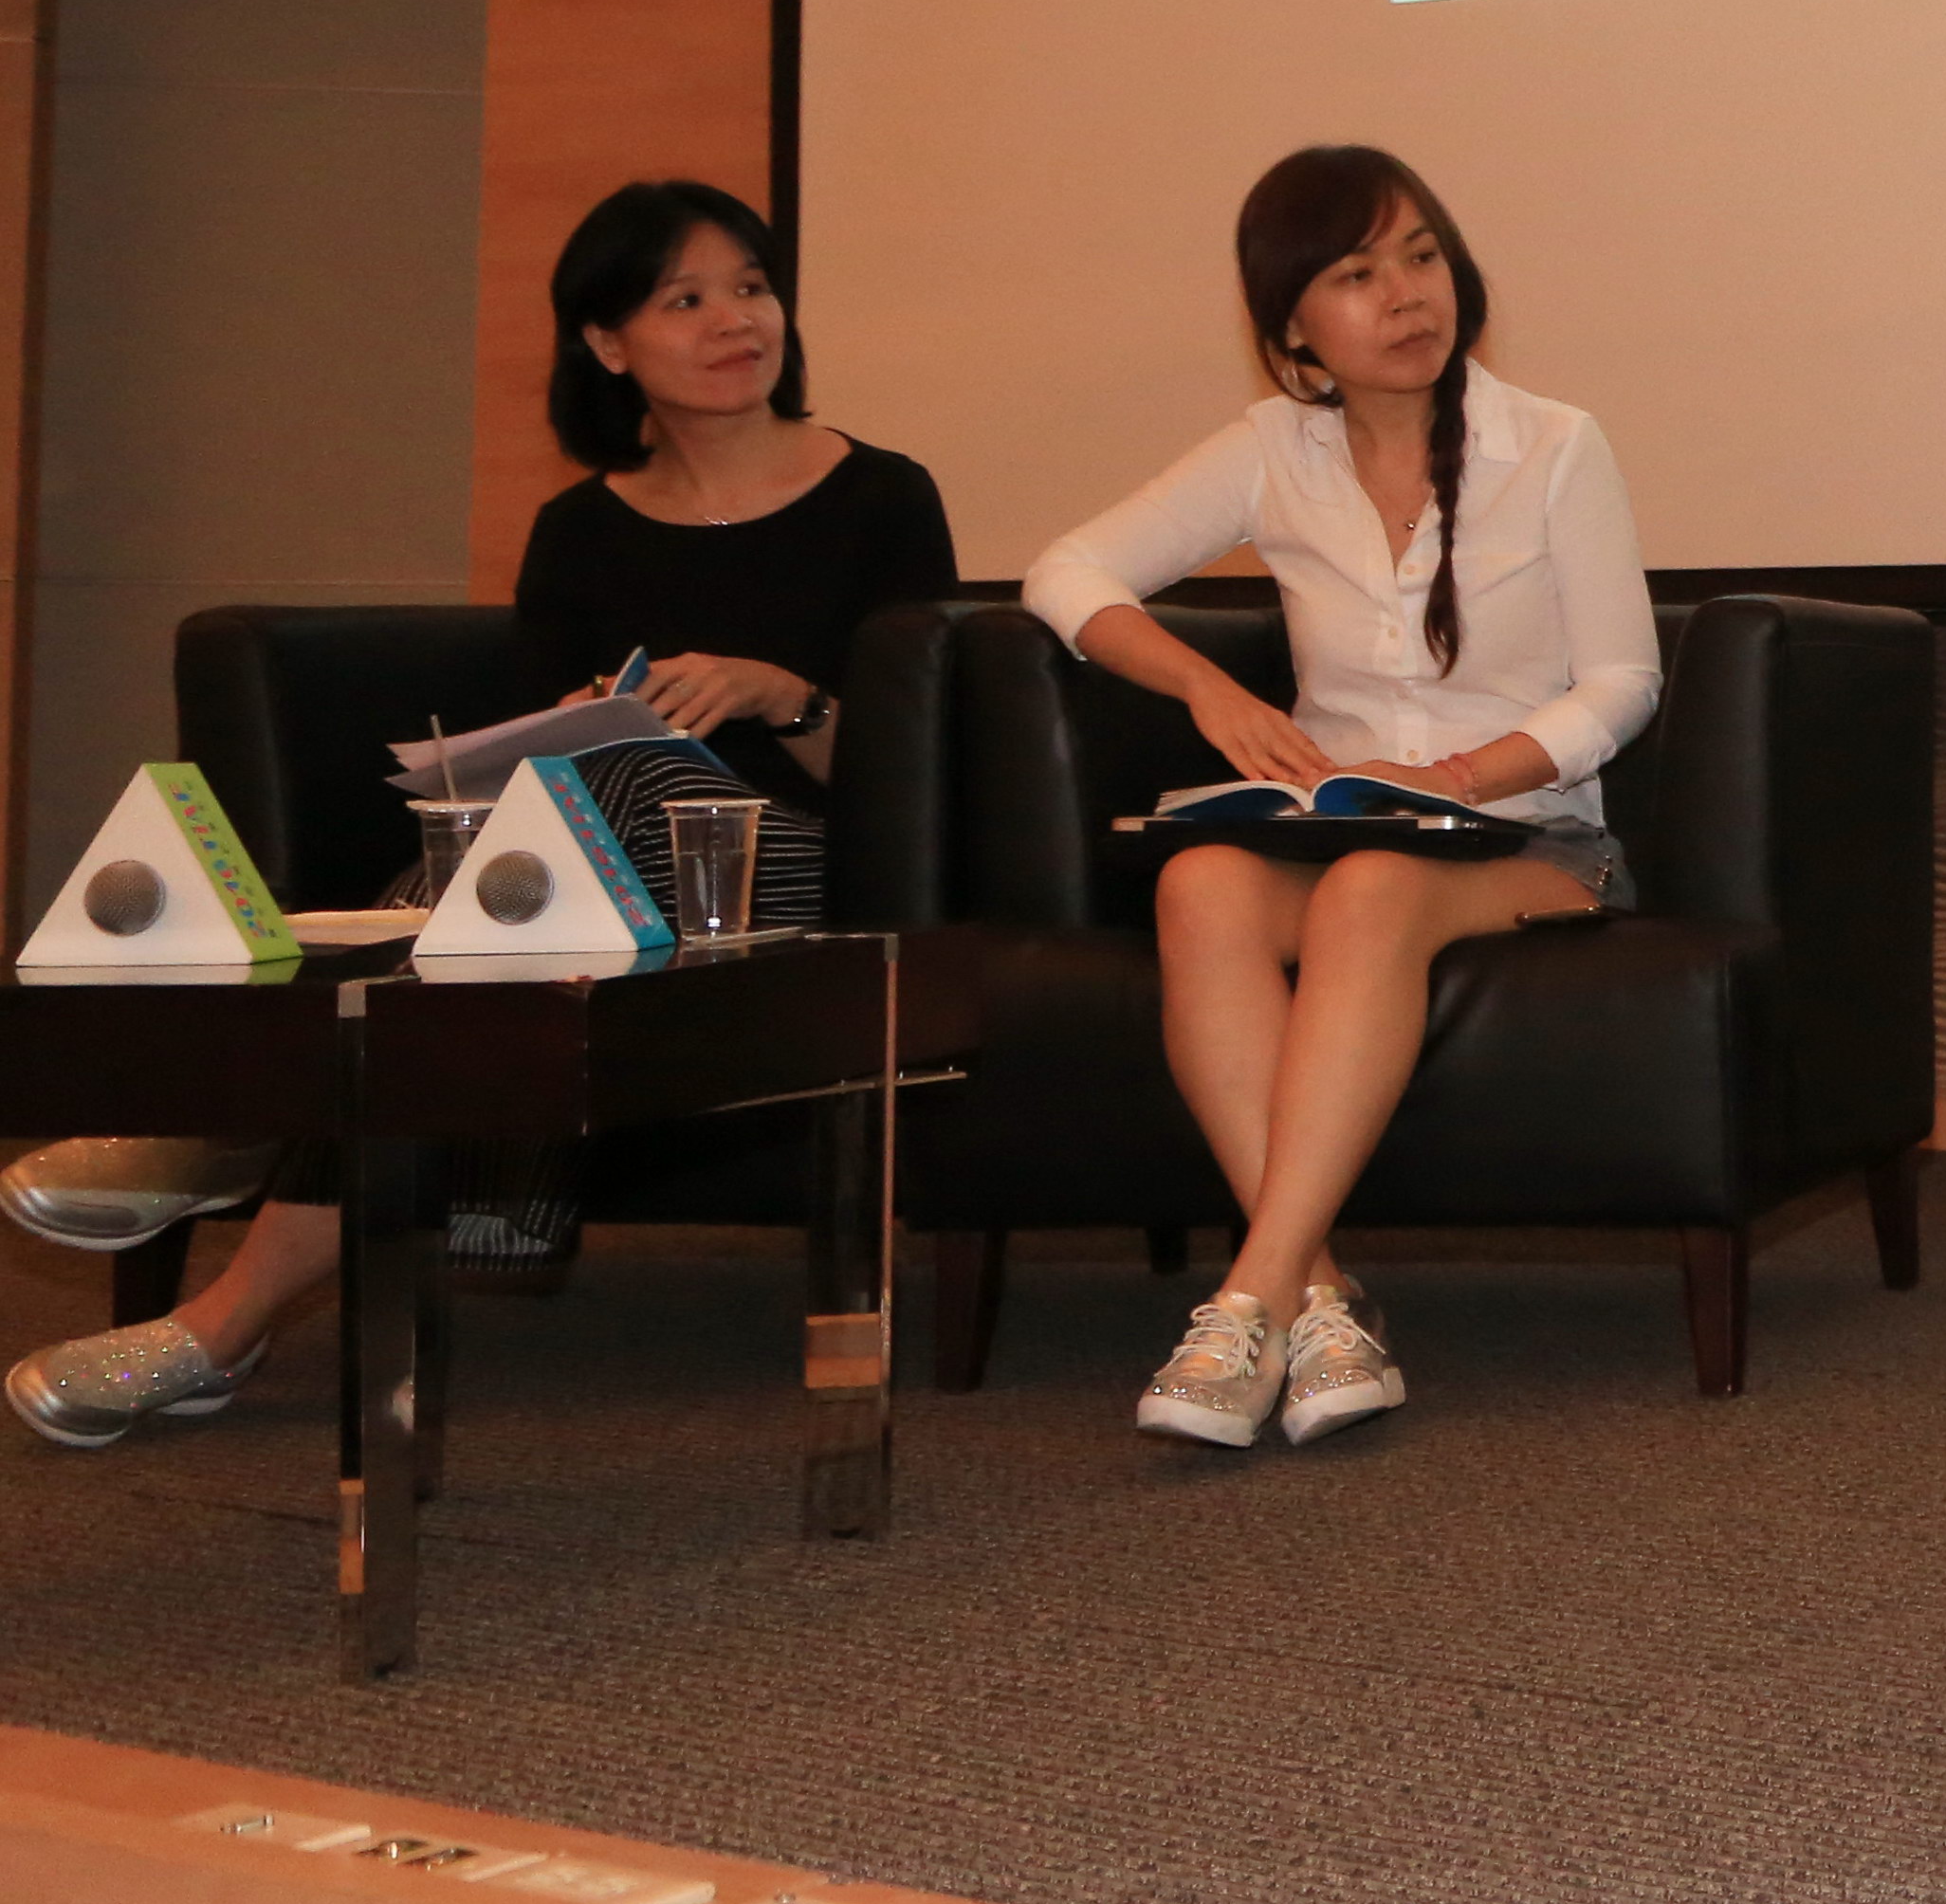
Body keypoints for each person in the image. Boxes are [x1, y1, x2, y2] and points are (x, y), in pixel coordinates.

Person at [7, 178, 959, 1447]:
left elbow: (921, 777)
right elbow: (528, 781)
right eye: (687, 298)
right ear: (609, 343)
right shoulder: (579, 530)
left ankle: (231, 1151)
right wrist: (579, 726)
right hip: (615, 900)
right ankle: (221, 1312)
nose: (738, 320)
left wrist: (784, 695)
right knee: (538, 837)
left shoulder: (883, 495)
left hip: (806, 873)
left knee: (616, 797)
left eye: (751, 287)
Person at [1019, 146, 1659, 1450]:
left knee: (1372, 889)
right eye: (1358, 274)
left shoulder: (1554, 443)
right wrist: (1206, 689)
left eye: (1421, 255)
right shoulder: (1273, 450)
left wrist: (1464, 774)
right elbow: (1066, 571)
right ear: (1293, 327)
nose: (1407, 293)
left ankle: (1247, 1297)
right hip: (1344, 831)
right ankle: (1321, 1301)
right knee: (1201, 880)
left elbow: (1624, 682)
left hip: (1539, 841)